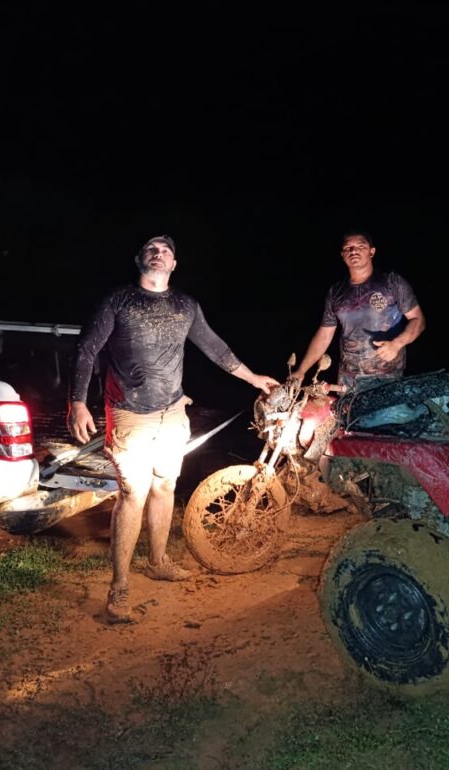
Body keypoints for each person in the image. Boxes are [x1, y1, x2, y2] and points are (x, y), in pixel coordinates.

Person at [67, 234, 278, 624]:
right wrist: (77, 402)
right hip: (130, 415)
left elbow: (214, 347)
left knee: (165, 486)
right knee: (133, 494)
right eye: (151, 247)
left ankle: (159, 560)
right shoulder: (118, 301)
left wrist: (253, 379)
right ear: (138, 259)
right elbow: (87, 349)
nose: (158, 252)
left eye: (166, 250)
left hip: (172, 413)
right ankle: (120, 588)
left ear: (175, 264)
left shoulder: (185, 305)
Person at [293, 231, 425, 389]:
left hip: (386, 377)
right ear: (342, 255)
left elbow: (418, 320)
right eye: (348, 248)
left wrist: (397, 344)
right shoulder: (336, 292)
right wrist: (301, 370)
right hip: (348, 379)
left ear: (372, 251)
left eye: (360, 246)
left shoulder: (392, 282)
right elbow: (324, 334)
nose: (354, 251)